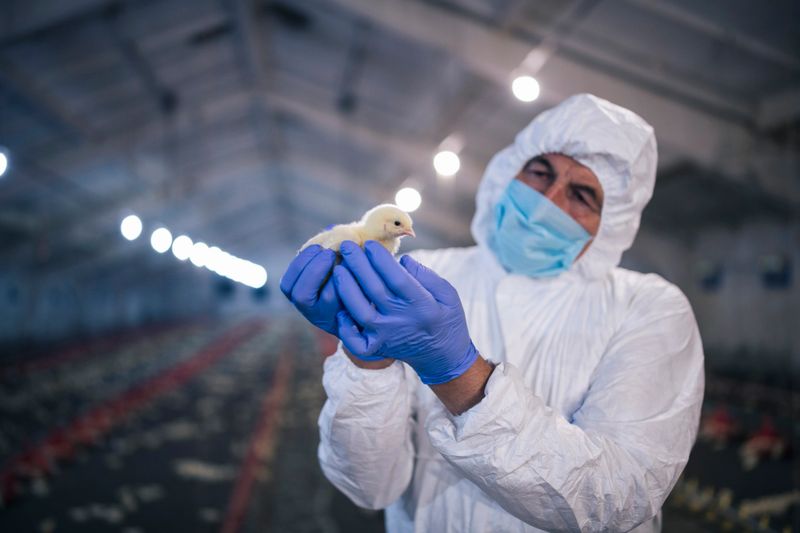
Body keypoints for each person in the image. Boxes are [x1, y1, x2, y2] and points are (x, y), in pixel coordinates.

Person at [280, 94, 705, 532]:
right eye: (540, 173)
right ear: (508, 173)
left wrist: (457, 374)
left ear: (611, 223)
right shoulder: (424, 274)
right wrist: (366, 360)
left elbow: (618, 497)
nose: (550, 200)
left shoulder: (650, 309)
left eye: (581, 195)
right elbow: (368, 487)